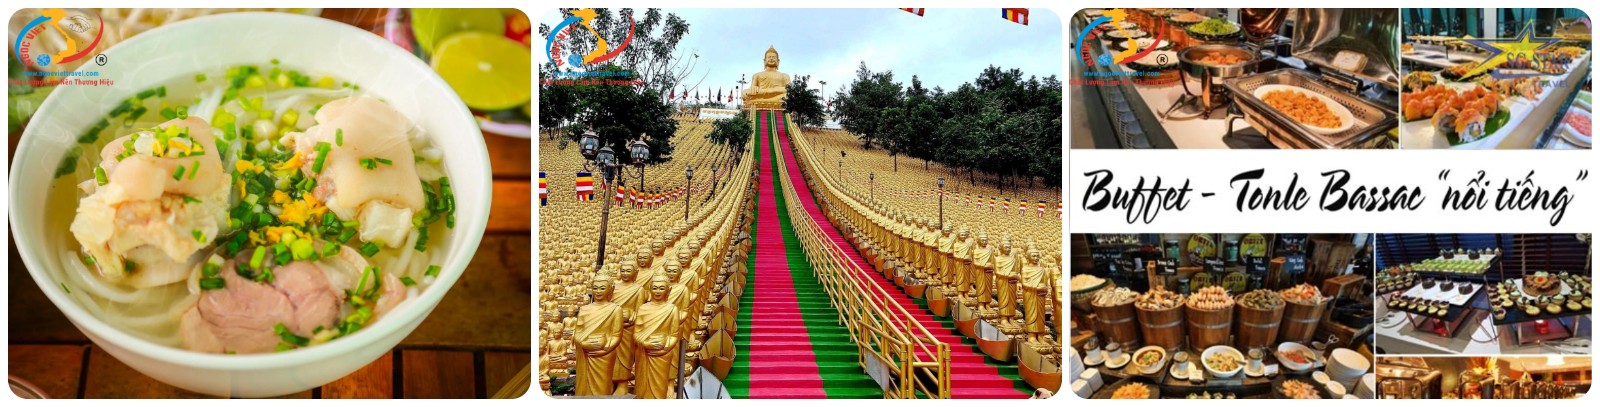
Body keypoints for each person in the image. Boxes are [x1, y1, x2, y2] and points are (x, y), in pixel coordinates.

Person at [634, 275, 684, 399]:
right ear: (650, 289)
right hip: (644, 352)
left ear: (668, 290)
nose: (657, 291)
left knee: (659, 385)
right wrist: (645, 344)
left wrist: (664, 347)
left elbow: (674, 335)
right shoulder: (643, 308)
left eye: (661, 288)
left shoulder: (672, 309)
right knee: (642, 386)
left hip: (662, 353)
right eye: (655, 288)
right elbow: (637, 333)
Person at [574, 276, 624, 396]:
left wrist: (605, 348)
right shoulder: (584, 309)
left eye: (602, 288)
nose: (598, 291)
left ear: (610, 289)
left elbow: (616, 335)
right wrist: (583, 344)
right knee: (583, 387)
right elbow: (578, 333)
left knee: (602, 386)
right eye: (595, 288)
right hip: (585, 352)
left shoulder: (615, 310)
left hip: (605, 354)